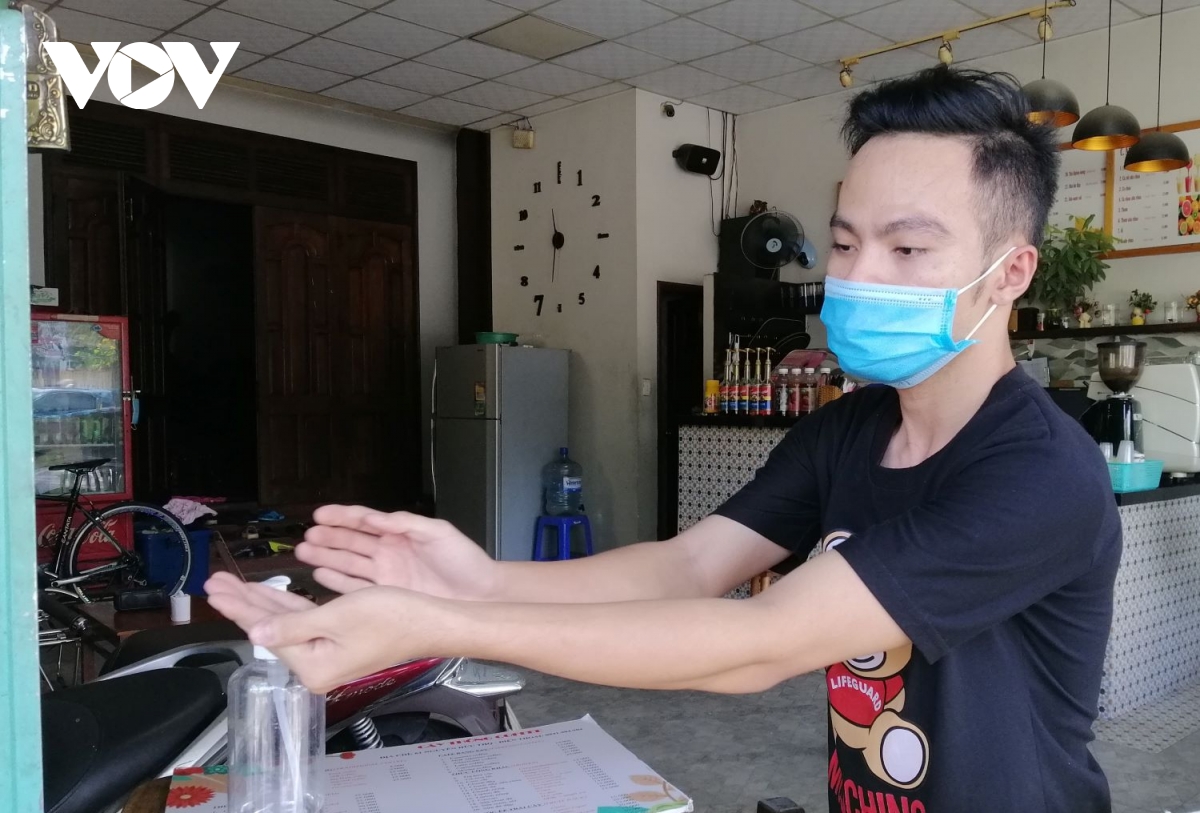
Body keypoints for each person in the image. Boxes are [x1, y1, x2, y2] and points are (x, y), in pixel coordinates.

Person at [207, 67, 1120, 813]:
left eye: (908, 250)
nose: (860, 276)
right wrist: (480, 580)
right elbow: (687, 567)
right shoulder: (850, 428)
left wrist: (437, 625)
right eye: (845, 245)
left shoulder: (1040, 472)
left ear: (1011, 272)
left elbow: (761, 641)